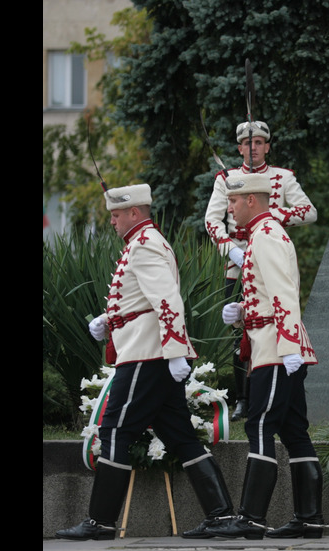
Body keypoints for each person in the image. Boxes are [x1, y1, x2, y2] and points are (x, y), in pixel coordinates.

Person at [56, 184, 234, 541]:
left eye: (116, 214)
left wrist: (175, 352)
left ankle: (101, 522)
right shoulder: (143, 243)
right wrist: (109, 320)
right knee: (180, 436)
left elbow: (168, 301)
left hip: (146, 356)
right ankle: (222, 516)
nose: (112, 221)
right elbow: (143, 301)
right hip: (149, 353)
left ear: (134, 213)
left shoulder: (145, 245)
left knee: (116, 431)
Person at [207, 173, 323, 540]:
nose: (230, 208)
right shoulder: (263, 233)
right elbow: (268, 292)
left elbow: (284, 293)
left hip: (276, 349)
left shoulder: (266, 234)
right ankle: (310, 518)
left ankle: (253, 517)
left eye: (234, 202)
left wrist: (289, 347)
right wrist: (242, 310)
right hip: (274, 345)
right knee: (294, 433)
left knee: (259, 426)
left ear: (251, 201)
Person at [204, 120, 317, 421]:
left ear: (267, 146)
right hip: (236, 261)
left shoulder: (283, 177)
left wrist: (273, 213)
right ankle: (243, 396)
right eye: (247, 143)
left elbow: (309, 211)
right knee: (238, 328)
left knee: (277, 313)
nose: (252, 148)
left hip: (269, 250)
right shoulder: (226, 179)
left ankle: (279, 383)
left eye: (258, 143)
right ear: (239, 147)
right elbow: (212, 221)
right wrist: (233, 251)